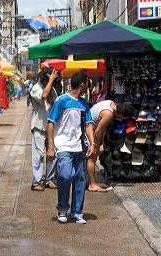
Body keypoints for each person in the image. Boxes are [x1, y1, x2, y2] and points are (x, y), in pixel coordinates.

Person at [47, 72, 96, 224]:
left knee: (80, 179)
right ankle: (62, 209)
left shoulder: (84, 103)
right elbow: (50, 123)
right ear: (82, 84)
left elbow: (88, 125)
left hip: (79, 147)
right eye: (87, 83)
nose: (88, 86)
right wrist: (51, 146)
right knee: (65, 176)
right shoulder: (61, 101)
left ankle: (77, 212)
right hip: (63, 146)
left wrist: (92, 143)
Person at [87, 100, 134, 192]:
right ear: (121, 114)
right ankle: (92, 185)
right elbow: (98, 132)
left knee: (93, 156)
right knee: (92, 157)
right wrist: (95, 146)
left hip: (90, 127)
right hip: (89, 129)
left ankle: (89, 181)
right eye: (123, 118)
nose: (121, 119)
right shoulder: (108, 114)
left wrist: (101, 143)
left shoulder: (111, 103)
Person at [30, 68, 59, 191]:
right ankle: (36, 181)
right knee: (39, 154)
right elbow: (43, 96)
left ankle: (50, 179)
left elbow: (53, 102)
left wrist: (52, 83)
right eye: (48, 79)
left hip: (50, 125)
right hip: (39, 125)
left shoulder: (50, 87)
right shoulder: (36, 88)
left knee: (52, 152)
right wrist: (51, 81)